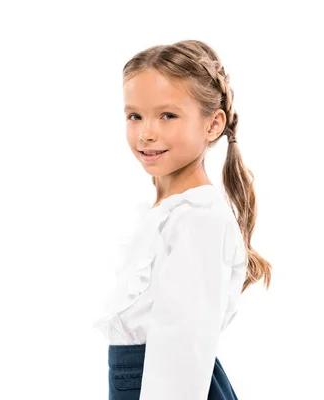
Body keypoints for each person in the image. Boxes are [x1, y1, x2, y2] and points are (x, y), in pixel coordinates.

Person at [92, 40, 272, 400]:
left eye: (167, 115)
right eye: (135, 116)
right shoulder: (170, 213)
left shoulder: (199, 220)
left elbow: (181, 349)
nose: (146, 132)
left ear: (212, 124)